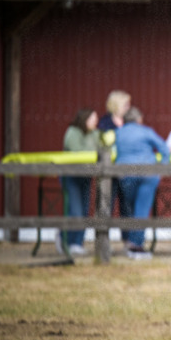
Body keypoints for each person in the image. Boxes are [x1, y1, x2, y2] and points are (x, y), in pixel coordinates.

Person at [115, 107, 169, 259]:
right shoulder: (146, 131)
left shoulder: (118, 133)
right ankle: (136, 245)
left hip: (126, 174)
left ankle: (130, 242)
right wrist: (162, 168)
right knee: (142, 210)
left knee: (129, 208)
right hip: (148, 173)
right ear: (139, 119)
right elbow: (164, 148)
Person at [60, 108, 100, 256]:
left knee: (85, 211)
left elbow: (103, 149)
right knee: (75, 211)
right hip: (71, 176)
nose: (96, 121)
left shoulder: (95, 133)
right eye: (93, 118)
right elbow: (78, 151)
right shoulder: (73, 132)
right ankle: (66, 239)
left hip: (86, 176)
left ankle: (77, 243)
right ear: (85, 119)